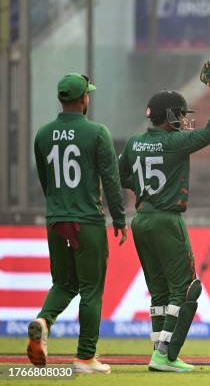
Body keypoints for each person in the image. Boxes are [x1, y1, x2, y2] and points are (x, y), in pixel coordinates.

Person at [117, 61, 210, 372]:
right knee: (185, 289)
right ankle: (166, 355)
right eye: (180, 115)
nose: (183, 120)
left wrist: (142, 187)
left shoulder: (134, 143)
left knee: (159, 291)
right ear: (168, 117)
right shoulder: (175, 142)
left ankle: (157, 350)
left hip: (141, 220)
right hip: (167, 220)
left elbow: (118, 176)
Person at [29, 73, 127, 374]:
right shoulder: (97, 132)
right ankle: (85, 357)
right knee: (91, 289)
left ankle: (43, 321)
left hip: (56, 219)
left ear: (61, 99)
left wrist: (59, 207)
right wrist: (120, 218)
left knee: (63, 283)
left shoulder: (43, 135)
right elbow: (111, 180)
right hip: (88, 221)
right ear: (84, 98)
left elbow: (45, 181)